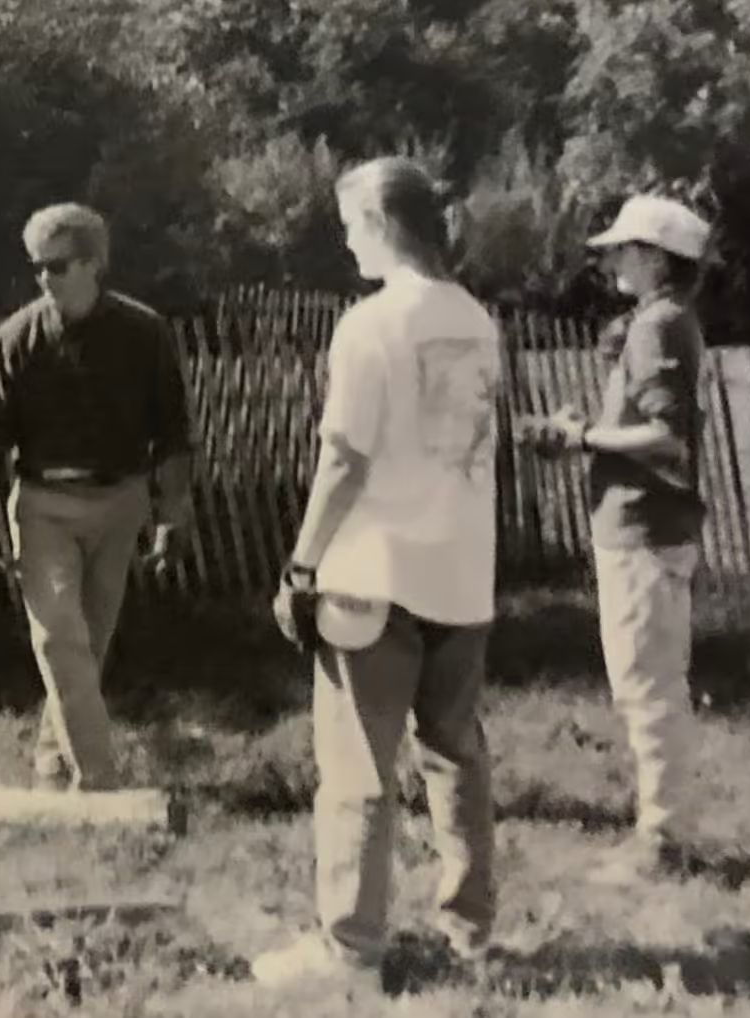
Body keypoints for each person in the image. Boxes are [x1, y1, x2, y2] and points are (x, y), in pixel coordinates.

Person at [253, 158, 503, 994]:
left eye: (350, 227)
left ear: (383, 224)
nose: (347, 243)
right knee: (456, 755)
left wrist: (300, 565)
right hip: (462, 569)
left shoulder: (369, 323)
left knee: (358, 764)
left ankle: (351, 951)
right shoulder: (477, 319)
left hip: (376, 572)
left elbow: (343, 460)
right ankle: (470, 931)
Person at [0, 203, 194, 792]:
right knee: (59, 637)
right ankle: (99, 782)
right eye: (37, 267)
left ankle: (51, 758)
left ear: (93, 264)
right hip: (44, 506)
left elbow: (172, 433)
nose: (44, 278)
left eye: (57, 266)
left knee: (87, 646)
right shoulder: (18, 337)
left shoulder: (144, 334)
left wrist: (172, 514)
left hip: (120, 503)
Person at [518, 192, 712, 885]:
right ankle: (662, 831)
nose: (610, 263)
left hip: (643, 528)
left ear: (656, 258)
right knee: (649, 683)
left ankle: (662, 843)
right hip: (643, 526)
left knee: (647, 688)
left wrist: (583, 439)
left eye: (622, 251)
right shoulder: (663, 320)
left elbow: (666, 439)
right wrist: (586, 430)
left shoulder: (658, 326)